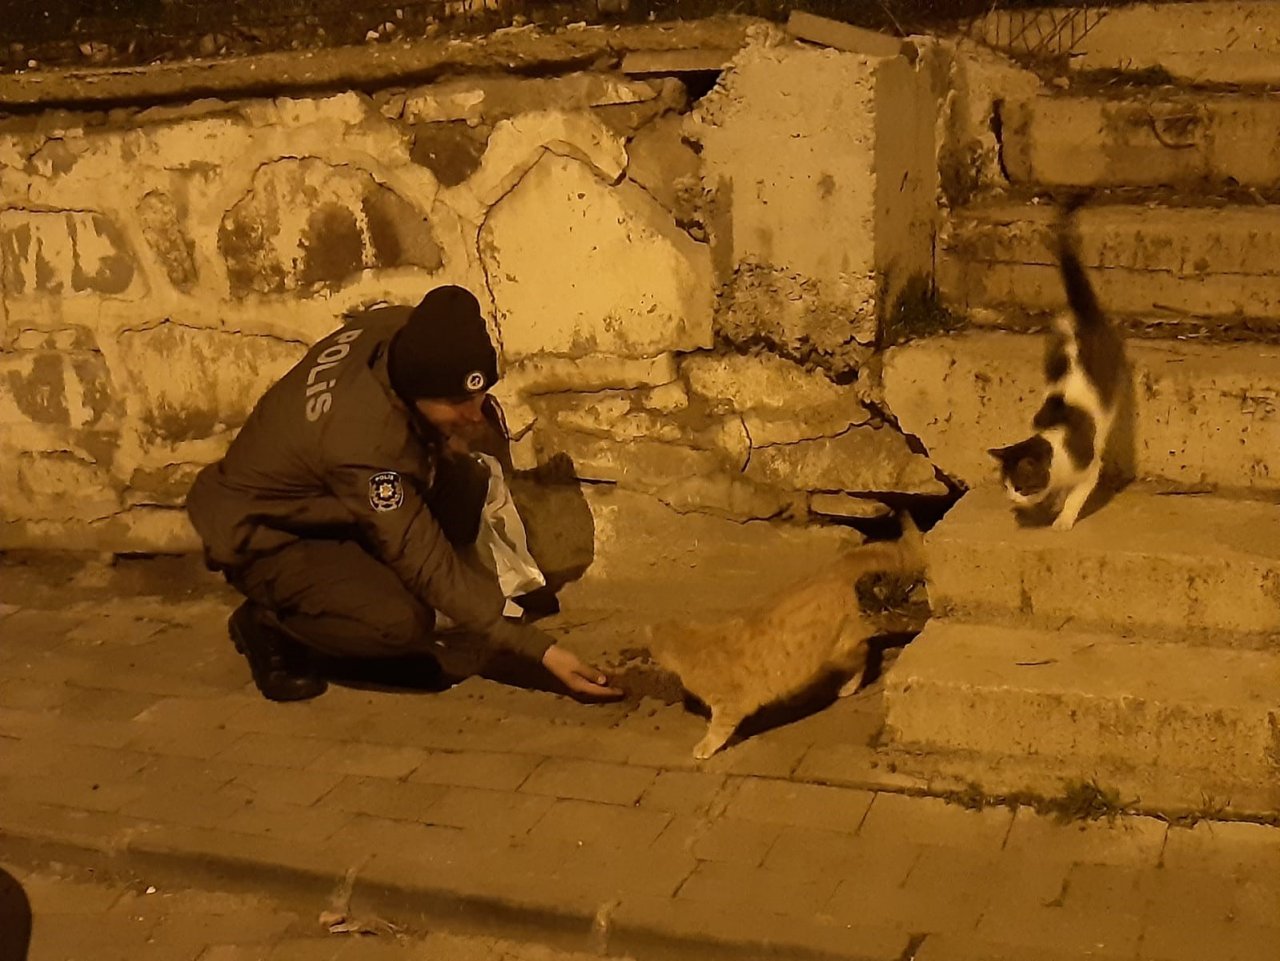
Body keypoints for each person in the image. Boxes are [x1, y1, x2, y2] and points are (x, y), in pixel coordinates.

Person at [186, 285, 622, 703]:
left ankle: (444, 594)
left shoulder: (403, 331)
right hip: (266, 537)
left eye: (477, 394)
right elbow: (425, 561)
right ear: (416, 391)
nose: (473, 413)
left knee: (465, 490)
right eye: (457, 401)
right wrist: (537, 649)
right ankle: (272, 625)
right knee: (399, 622)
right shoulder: (363, 444)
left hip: (329, 502)